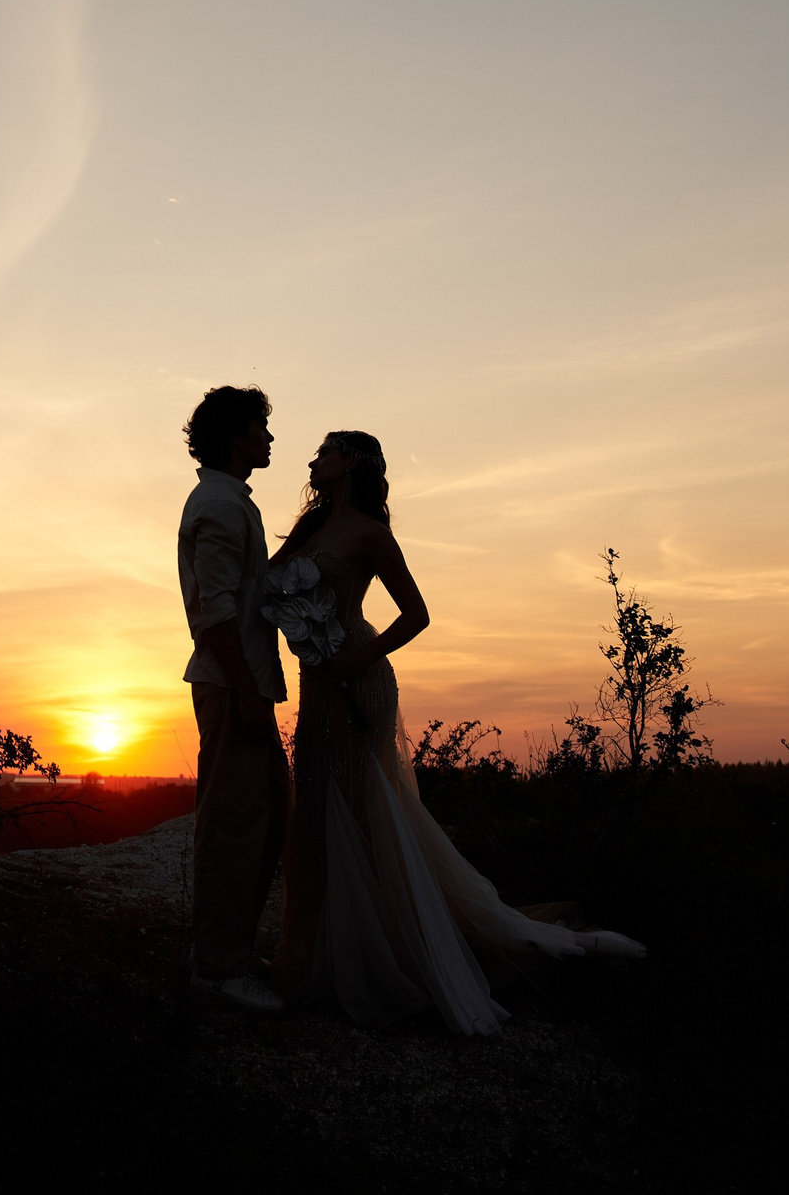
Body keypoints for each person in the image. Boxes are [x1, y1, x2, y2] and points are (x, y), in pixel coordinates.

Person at [266, 430, 643, 1036]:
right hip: (318, 678)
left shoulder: (370, 533)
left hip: (356, 674)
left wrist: (355, 660)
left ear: (353, 462)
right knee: (311, 807)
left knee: (357, 809)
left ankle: (384, 958)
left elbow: (416, 614)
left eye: (327, 451)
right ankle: (316, 955)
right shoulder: (307, 531)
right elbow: (271, 589)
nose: (314, 460)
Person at [176, 384, 290, 1016]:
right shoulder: (218, 504)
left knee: (269, 810)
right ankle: (217, 968)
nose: (269, 438)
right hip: (231, 684)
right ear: (234, 436)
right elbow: (214, 613)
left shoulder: (230, 501)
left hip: (245, 682)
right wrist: (247, 691)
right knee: (235, 822)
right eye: (260, 428)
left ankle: (229, 952)